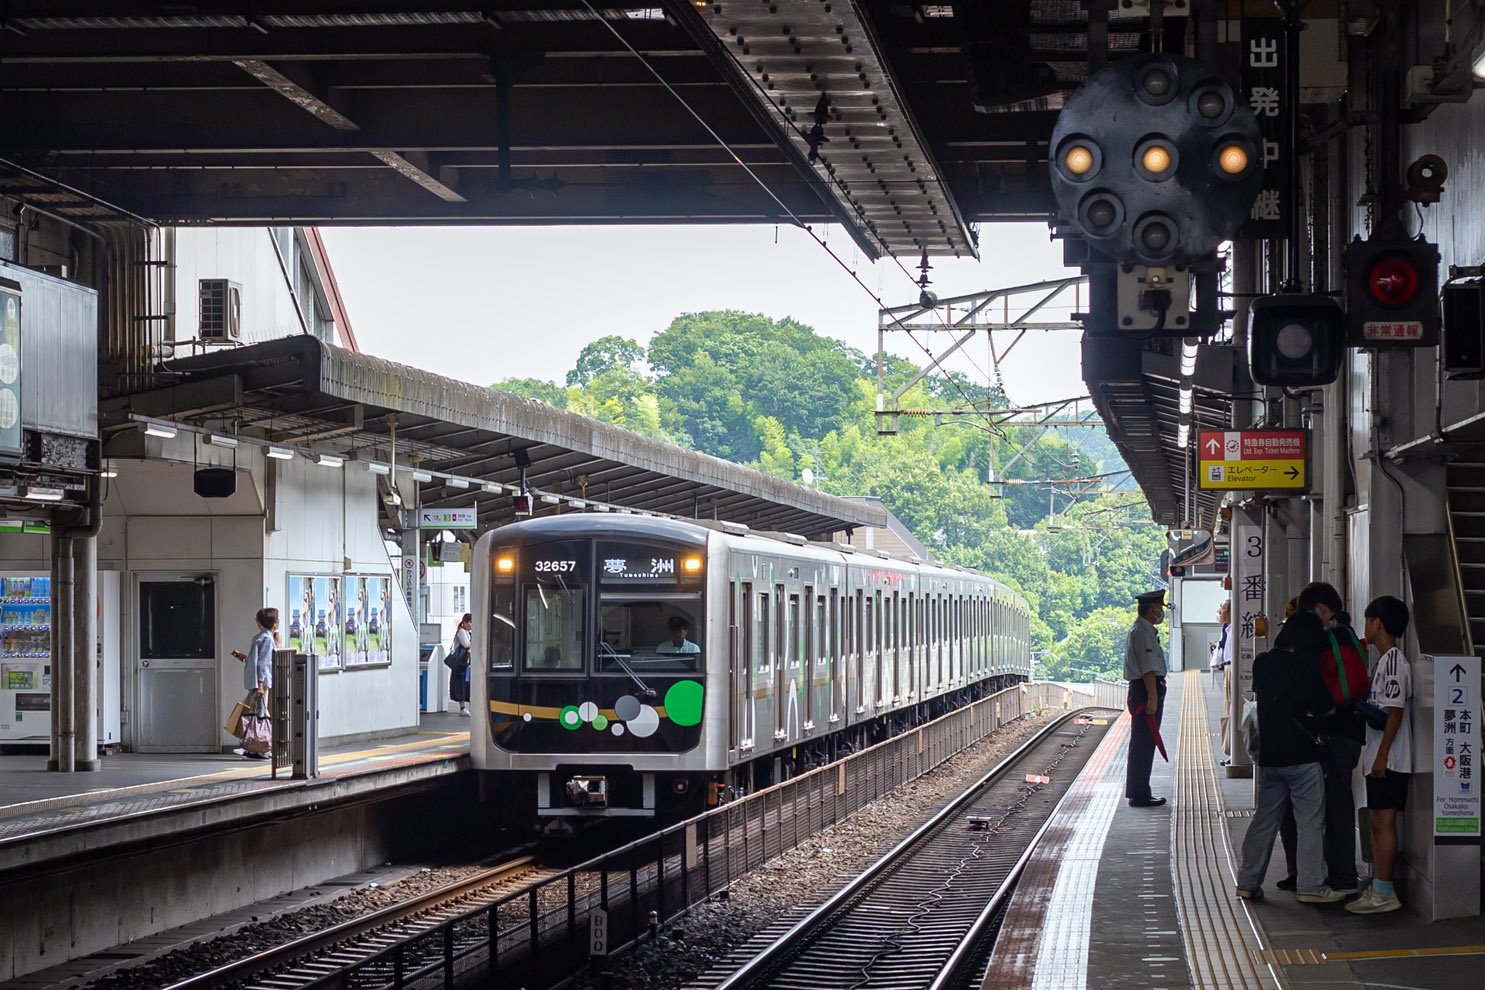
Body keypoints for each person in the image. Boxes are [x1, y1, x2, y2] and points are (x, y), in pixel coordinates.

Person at [1235, 611, 1347, 903]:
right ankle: (1311, 886)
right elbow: (1327, 709)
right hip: (1302, 757)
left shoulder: (1263, 663)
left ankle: (1247, 881)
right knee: (1309, 821)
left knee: (1264, 819)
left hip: (1270, 757)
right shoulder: (1305, 667)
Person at [1347, 595, 1413, 914]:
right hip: (1383, 755)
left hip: (1391, 759)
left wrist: (1381, 757)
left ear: (1378, 623)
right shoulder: (1385, 660)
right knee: (1377, 821)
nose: (1365, 626)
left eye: (1367, 620)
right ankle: (1379, 887)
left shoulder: (1394, 662)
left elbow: (1395, 713)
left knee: (1384, 821)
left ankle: (1385, 892)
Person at [1124, 590, 1168, 808]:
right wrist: (1153, 697)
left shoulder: (1142, 629)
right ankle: (1139, 793)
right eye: (1160, 608)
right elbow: (1148, 668)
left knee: (1143, 741)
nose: (1161, 613)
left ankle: (1139, 790)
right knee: (1143, 742)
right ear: (1153, 610)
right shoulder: (1143, 632)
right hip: (1145, 689)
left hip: (1143, 689)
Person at [230, 607, 277, 760]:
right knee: (259, 714)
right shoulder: (266, 638)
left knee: (258, 714)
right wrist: (243, 657)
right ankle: (255, 746)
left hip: (257, 683)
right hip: (259, 682)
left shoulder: (262, 638)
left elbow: (261, 664)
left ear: (259, 622)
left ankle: (259, 747)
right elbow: (261, 662)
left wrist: (261, 684)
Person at [1212, 599, 1233, 759]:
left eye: (1223, 609)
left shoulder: (1235, 630)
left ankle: (1233, 748)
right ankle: (1230, 748)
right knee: (1228, 708)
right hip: (1227, 668)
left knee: (1232, 708)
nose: (1220, 612)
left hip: (1233, 668)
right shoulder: (1226, 629)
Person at [447, 613, 472, 715]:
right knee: (460, 685)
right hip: (460, 664)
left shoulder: (469, 632)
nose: (471, 624)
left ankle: (467, 707)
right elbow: (466, 644)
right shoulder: (461, 631)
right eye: (470, 622)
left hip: (466, 663)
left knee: (467, 685)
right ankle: (462, 708)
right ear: (464, 622)